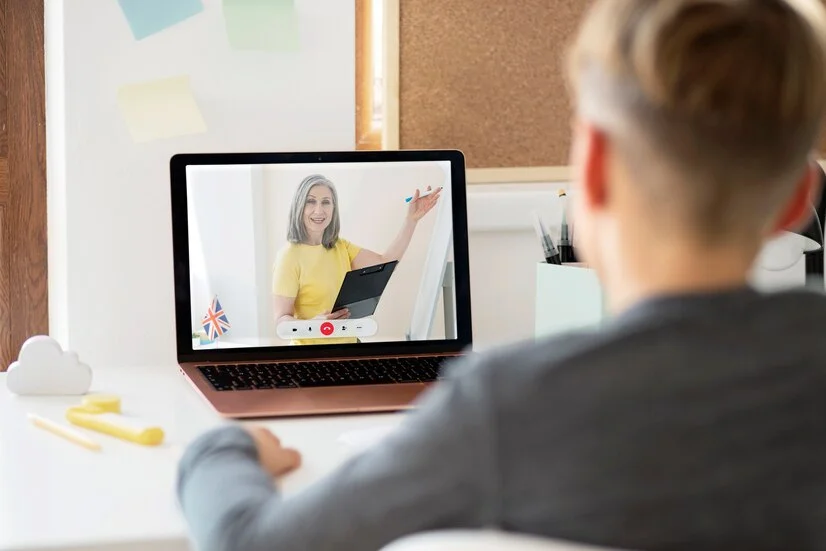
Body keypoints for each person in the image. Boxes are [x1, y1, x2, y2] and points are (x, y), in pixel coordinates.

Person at [176, 0, 826, 549]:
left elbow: (251, 540)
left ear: (593, 166)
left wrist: (221, 450)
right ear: (800, 197)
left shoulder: (505, 405)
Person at [271, 174, 441, 344]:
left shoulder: (340, 246)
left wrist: (411, 220)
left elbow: (387, 262)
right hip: (312, 356)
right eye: (311, 201)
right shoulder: (289, 256)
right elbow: (281, 321)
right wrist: (313, 325)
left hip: (350, 348)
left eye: (326, 202)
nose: (319, 210)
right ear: (299, 206)